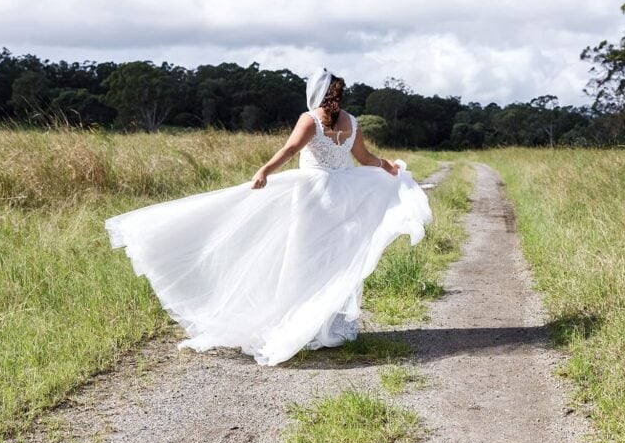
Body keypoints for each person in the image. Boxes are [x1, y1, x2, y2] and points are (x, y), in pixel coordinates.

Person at [104, 68, 432, 366]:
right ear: (339, 94)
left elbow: (290, 150)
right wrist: (385, 166)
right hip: (343, 195)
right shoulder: (351, 121)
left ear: (316, 93)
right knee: (334, 259)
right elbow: (363, 157)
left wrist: (264, 170)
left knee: (304, 258)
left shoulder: (310, 119)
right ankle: (327, 328)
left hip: (313, 196)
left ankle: (302, 325)